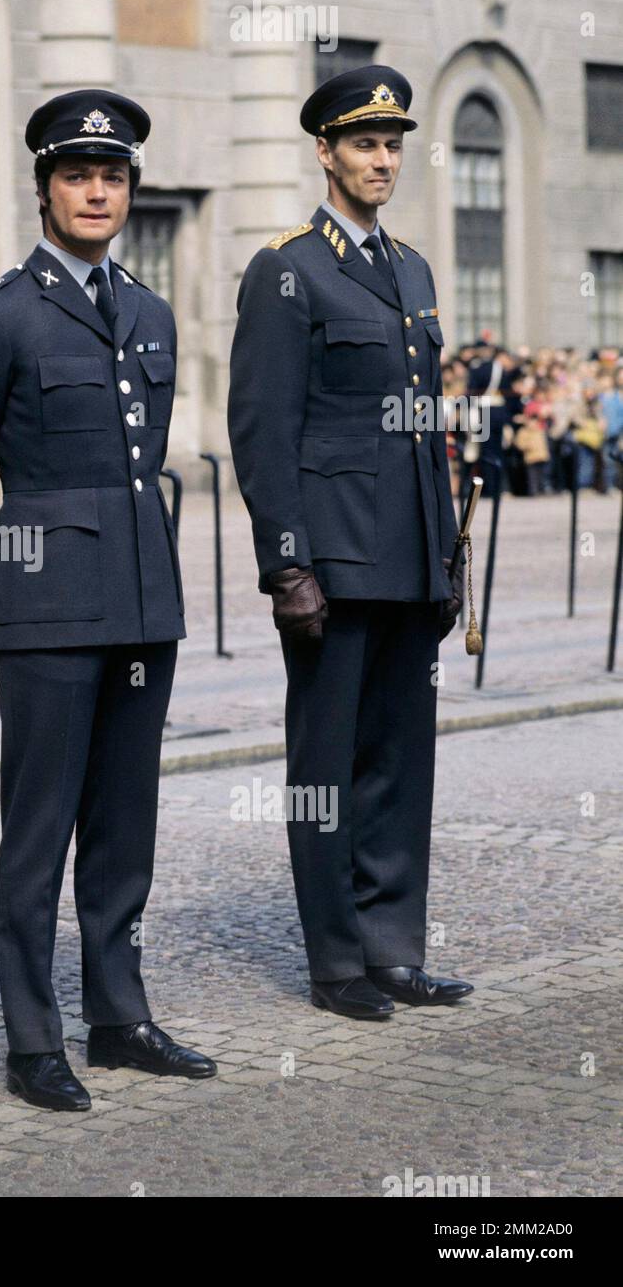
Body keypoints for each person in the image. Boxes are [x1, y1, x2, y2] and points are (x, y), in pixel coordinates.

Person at [0, 89, 215, 1112]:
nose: (96, 190)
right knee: (38, 828)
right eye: (76, 174)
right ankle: (32, 1036)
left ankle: (118, 1016)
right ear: (41, 188)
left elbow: (138, 464)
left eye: (113, 175)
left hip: (142, 603)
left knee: (125, 823)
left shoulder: (148, 310)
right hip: (48, 613)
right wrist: (5, 562)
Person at [228, 65, 473, 1020]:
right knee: (325, 771)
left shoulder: (409, 268)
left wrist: (444, 555)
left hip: (407, 557)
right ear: (324, 152)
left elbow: (425, 426)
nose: (383, 159)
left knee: (402, 764)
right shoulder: (287, 268)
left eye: (393, 144)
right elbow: (263, 426)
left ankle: (393, 945)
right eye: (365, 143)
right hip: (331, 562)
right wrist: (286, 562)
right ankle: (336, 962)